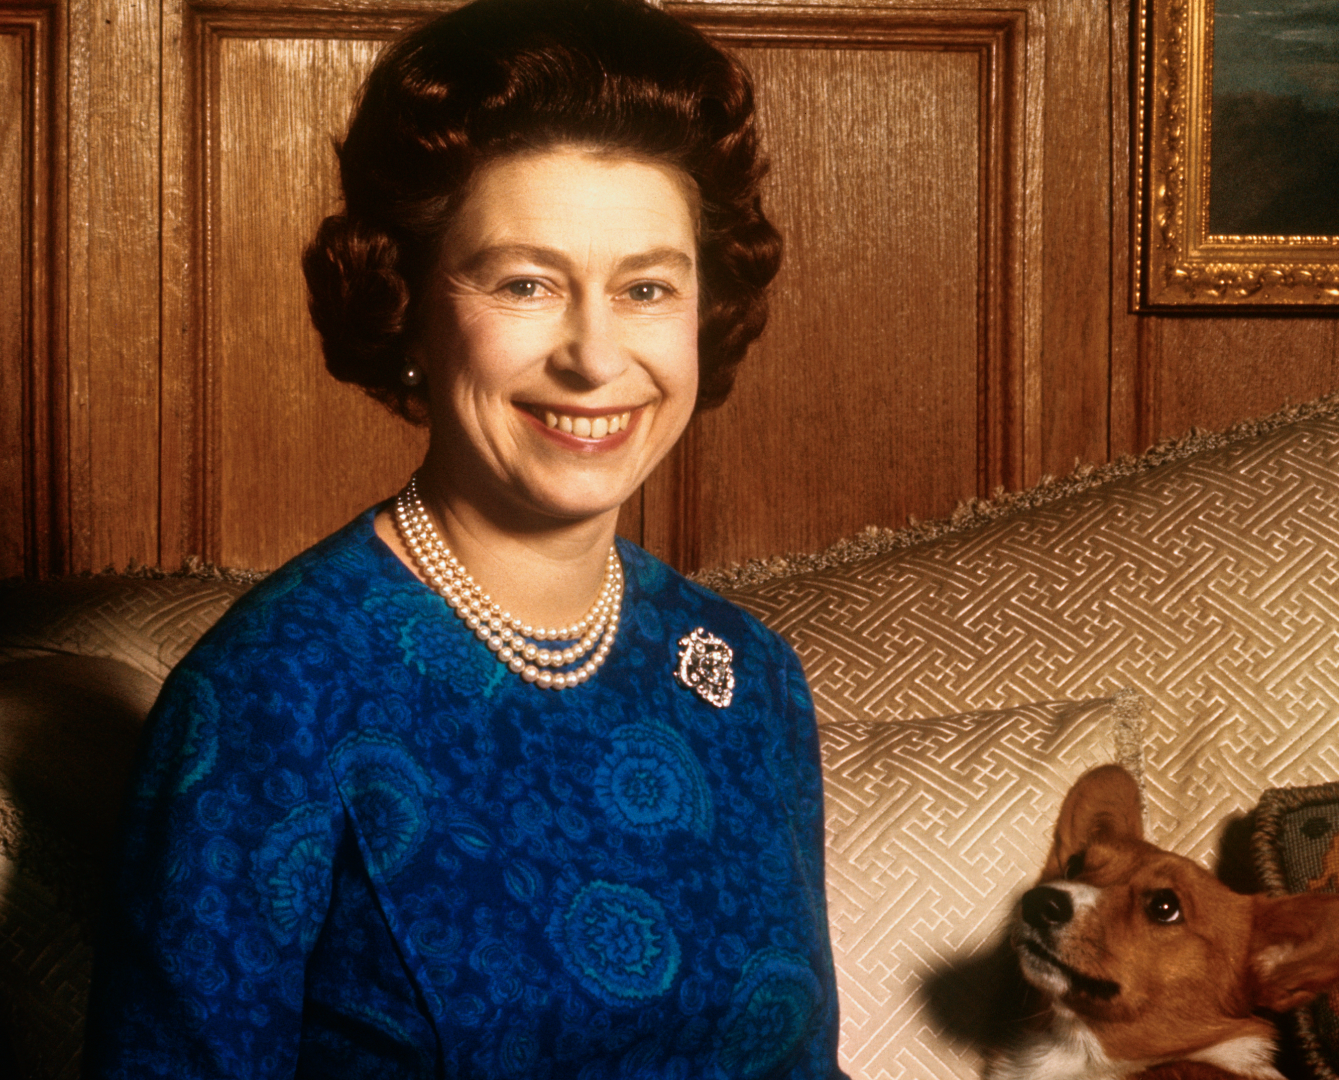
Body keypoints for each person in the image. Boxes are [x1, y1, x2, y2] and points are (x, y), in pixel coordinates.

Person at [82, 0, 846, 1074]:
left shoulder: (745, 677)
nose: (594, 357)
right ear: (410, 308)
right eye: (526, 284)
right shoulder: (272, 695)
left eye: (646, 288)